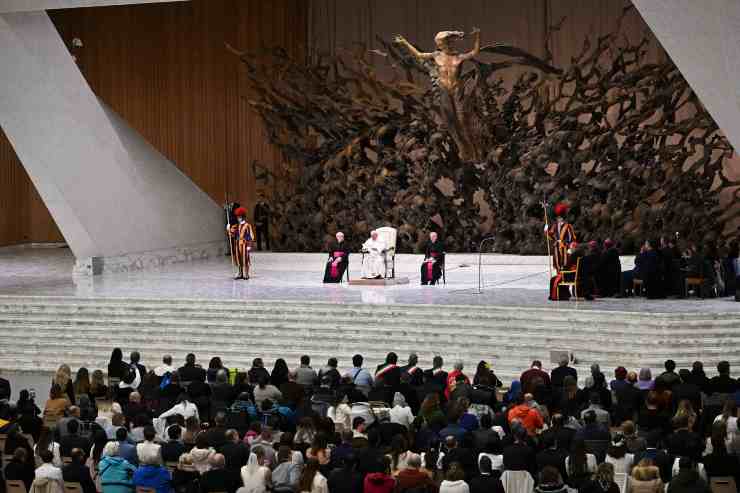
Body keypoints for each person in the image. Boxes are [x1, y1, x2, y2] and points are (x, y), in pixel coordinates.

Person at [546, 203, 576, 272]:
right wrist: (546, 230)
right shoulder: (555, 226)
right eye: (558, 218)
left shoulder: (568, 226)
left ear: (563, 217)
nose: (558, 219)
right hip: (557, 247)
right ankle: (559, 274)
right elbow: (551, 235)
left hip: (565, 248)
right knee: (557, 264)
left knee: (565, 264)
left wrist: (565, 243)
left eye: (560, 217)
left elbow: (571, 238)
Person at [228, 207, 254, 280]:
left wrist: (249, 245)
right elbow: (233, 234)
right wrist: (229, 229)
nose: (238, 218)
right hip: (237, 244)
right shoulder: (237, 226)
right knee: (238, 259)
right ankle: (240, 273)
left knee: (245, 259)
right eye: (238, 217)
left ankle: (246, 274)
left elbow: (250, 236)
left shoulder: (247, 226)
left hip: (244, 244)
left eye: (239, 217)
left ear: (243, 217)